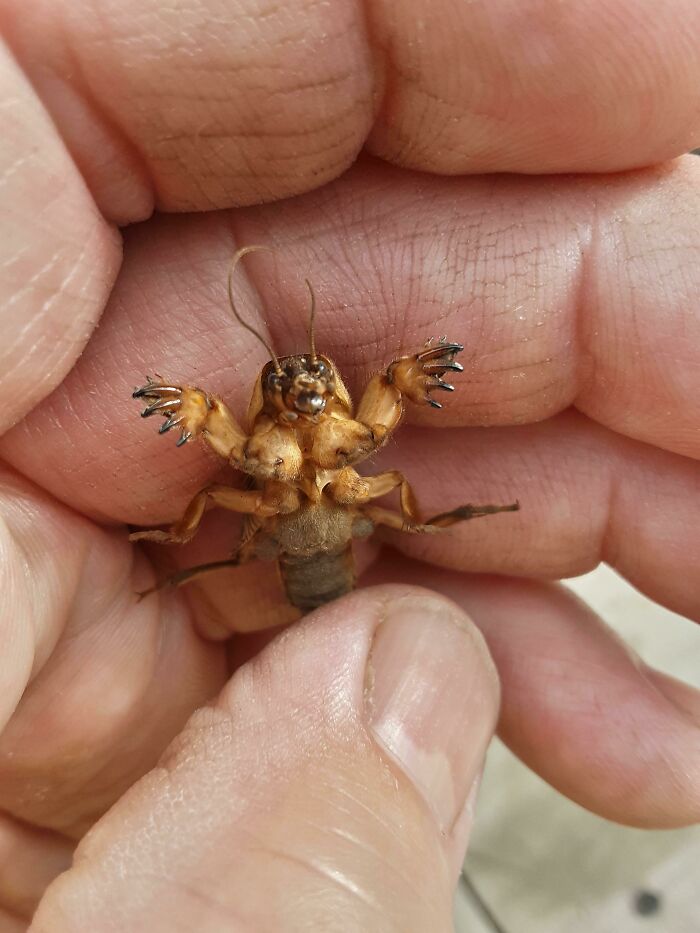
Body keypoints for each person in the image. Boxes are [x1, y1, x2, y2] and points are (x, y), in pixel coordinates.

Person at [1, 1, 699, 929]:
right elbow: (235, 455)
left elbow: (368, 435)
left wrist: (404, 379)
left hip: (351, 520)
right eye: (285, 382)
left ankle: (386, 528)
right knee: (216, 501)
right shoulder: (268, 446)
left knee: (372, 499)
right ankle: (208, 551)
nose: (299, 386)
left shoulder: (339, 434)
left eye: (310, 377)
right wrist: (193, 412)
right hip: (288, 548)